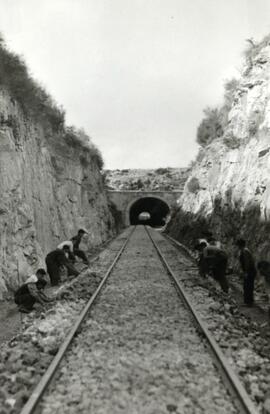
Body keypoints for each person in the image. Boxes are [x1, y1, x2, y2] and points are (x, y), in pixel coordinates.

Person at [235, 239, 257, 306]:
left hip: (250, 270)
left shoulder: (245, 251)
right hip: (249, 270)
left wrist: (246, 272)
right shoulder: (243, 250)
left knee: (248, 286)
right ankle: (248, 301)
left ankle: (249, 302)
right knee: (247, 286)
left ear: (239, 245)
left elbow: (247, 262)